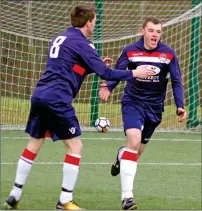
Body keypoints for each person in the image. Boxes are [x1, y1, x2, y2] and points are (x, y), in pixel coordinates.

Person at [3, 6, 156, 211]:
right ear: (88, 23)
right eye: (94, 21)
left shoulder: (60, 38)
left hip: (40, 96)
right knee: (75, 147)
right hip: (58, 100)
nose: (95, 24)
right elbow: (106, 74)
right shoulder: (83, 44)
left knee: (34, 145)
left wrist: (90, 66)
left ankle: (15, 194)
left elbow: (70, 68)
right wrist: (134, 73)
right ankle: (65, 200)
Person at [99, 17, 187, 210]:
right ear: (143, 31)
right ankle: (127, 198)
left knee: (135, 153)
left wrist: (180, 106)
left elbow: (176, 82)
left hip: (154, 108)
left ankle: (121, 156)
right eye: (151, 30)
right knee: (134, 140)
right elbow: (118, 71)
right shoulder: (130, 50)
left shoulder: (169, 54)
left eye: (158, 31)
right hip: (132, 102)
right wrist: (109, 87)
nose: (155, 34)